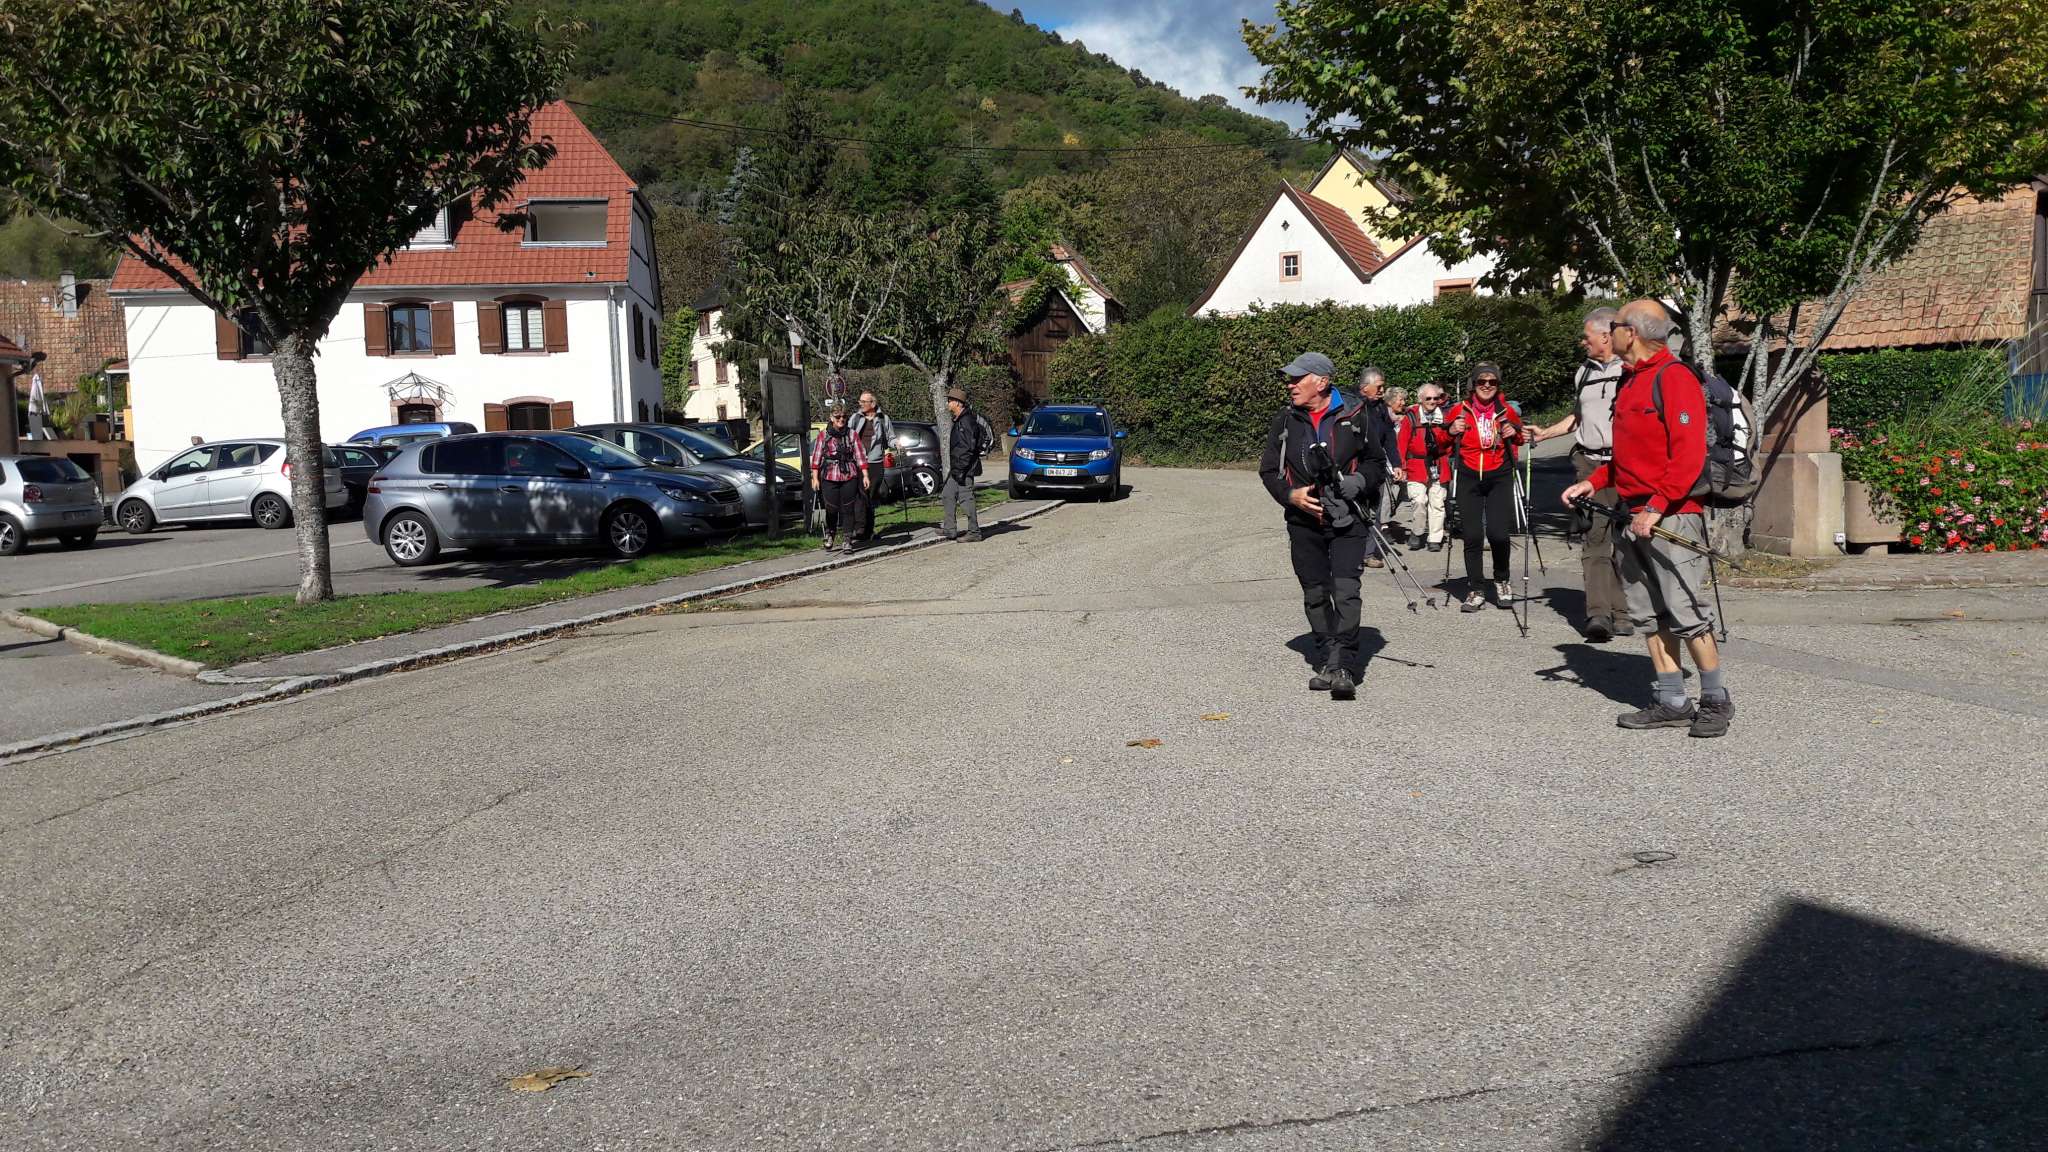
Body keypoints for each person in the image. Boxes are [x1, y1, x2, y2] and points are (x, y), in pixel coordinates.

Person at [1562, 299, 1733, 738]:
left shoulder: (1673, 377)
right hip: (1631, 513)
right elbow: (1626, 457)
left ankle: (1716, 700)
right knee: (1649, 614)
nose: (1609, 331)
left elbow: (1688, 453)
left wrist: (1656, 506)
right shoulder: (1630, 380)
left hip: (1671, 515)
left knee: (1685, 610)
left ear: (1631, 332)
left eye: (1615, 324)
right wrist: (1593, 482)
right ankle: (1672, 700)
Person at [1257, 351, 1384, 701]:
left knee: (1345, 591)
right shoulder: (1286, 419)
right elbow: (1268, 470)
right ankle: (1328, 656)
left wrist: (1358, 482)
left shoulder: (1356, 414)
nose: (1290, 385)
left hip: (1348, 518)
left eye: (1298, 378)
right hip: (1303, 522)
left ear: (1322, 382)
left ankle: (1343, 664)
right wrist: (1290, 495)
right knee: (1314, 593)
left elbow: (1376, 462)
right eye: (1290, 379)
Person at [1526, 307, 1630, 642]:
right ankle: (1599, 614)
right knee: (1594, 537)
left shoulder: (1630, 370)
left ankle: (1622, 611)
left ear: (1606, 336)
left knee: (1625, 541)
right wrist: (1545, 434)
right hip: (1589, 465)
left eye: (1587, 337)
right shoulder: (1583, 372)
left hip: (1626, 467)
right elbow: (1578, 417)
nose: (1582, 342)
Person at [1445, 363, 1525, 612]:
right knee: (1472, 536)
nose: (1487, 386)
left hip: (1499, 474)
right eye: (1482, 381)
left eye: (1492, 382)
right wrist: (1451, 430)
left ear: (1498, 385)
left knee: (1498, 534)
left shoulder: (1506, 410)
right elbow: (1440, 441)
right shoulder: (1459, 409)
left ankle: (1502, 580)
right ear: (1473, 385)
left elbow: (1520, 437)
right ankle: (1476, 588)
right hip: (1468, 475)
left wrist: (1514, 432)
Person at [1356, 367, 1403, 568]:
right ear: (1365, 387)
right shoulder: (1353, 406)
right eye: (1379, 386)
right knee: (1357, 511)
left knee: (1375, 511)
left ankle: (1368, 553)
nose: (1383, 390)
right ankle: (1352, 553)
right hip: (1357, 467)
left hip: (1378, 467)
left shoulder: (1381, 408)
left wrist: (1397, 463)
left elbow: (1389, 437)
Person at [1397, 384, 1453, 552]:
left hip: (1439, 465)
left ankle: (1435, 538)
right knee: (1419, 500)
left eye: (1436, 398)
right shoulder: (1411, 417)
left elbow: (1450, 441)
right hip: (1416, 466)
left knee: (1438, 502)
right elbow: (1401, 443)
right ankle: (1417, 531)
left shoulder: (1445, 417)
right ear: (1420, 399)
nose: (1432, 401)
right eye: (1428, 398)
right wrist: (1401, 466)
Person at [810, 400, 869, 552]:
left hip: (849, 475)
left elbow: (860, 455)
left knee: (848, 509)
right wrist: (815, 478)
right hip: (829, 476)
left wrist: (865, 475)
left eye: (844, 417)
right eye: (837, 417)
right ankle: (830, 533)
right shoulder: (823, 435)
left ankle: (847, 539)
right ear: (831, 418)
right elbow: (816, 458)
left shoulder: (852, 434)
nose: (841, 419)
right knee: (831, 508)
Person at [848, 391, 895, 542]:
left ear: (872, 404)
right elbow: (847, 436)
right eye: (860, 401)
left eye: (864, 401)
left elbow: (891, 438)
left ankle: (868, 531)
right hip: (858, 461)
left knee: (871, 496)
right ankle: (860, 527)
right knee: (860, 494)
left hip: (875, 462)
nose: (860, 404)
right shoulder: (855, 418)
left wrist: (897, 444)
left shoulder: (883, 419)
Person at [941, 388, 983, 543]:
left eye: (950, 400)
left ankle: (974, 532)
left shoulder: (966, 421)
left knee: (966, 499)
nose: (948, 403)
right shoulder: (960, 419)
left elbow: (968, 449)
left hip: (964, 469)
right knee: (947, 494)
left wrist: (961, 470)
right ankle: (950, 529)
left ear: (958, 403)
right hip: (957, 468)